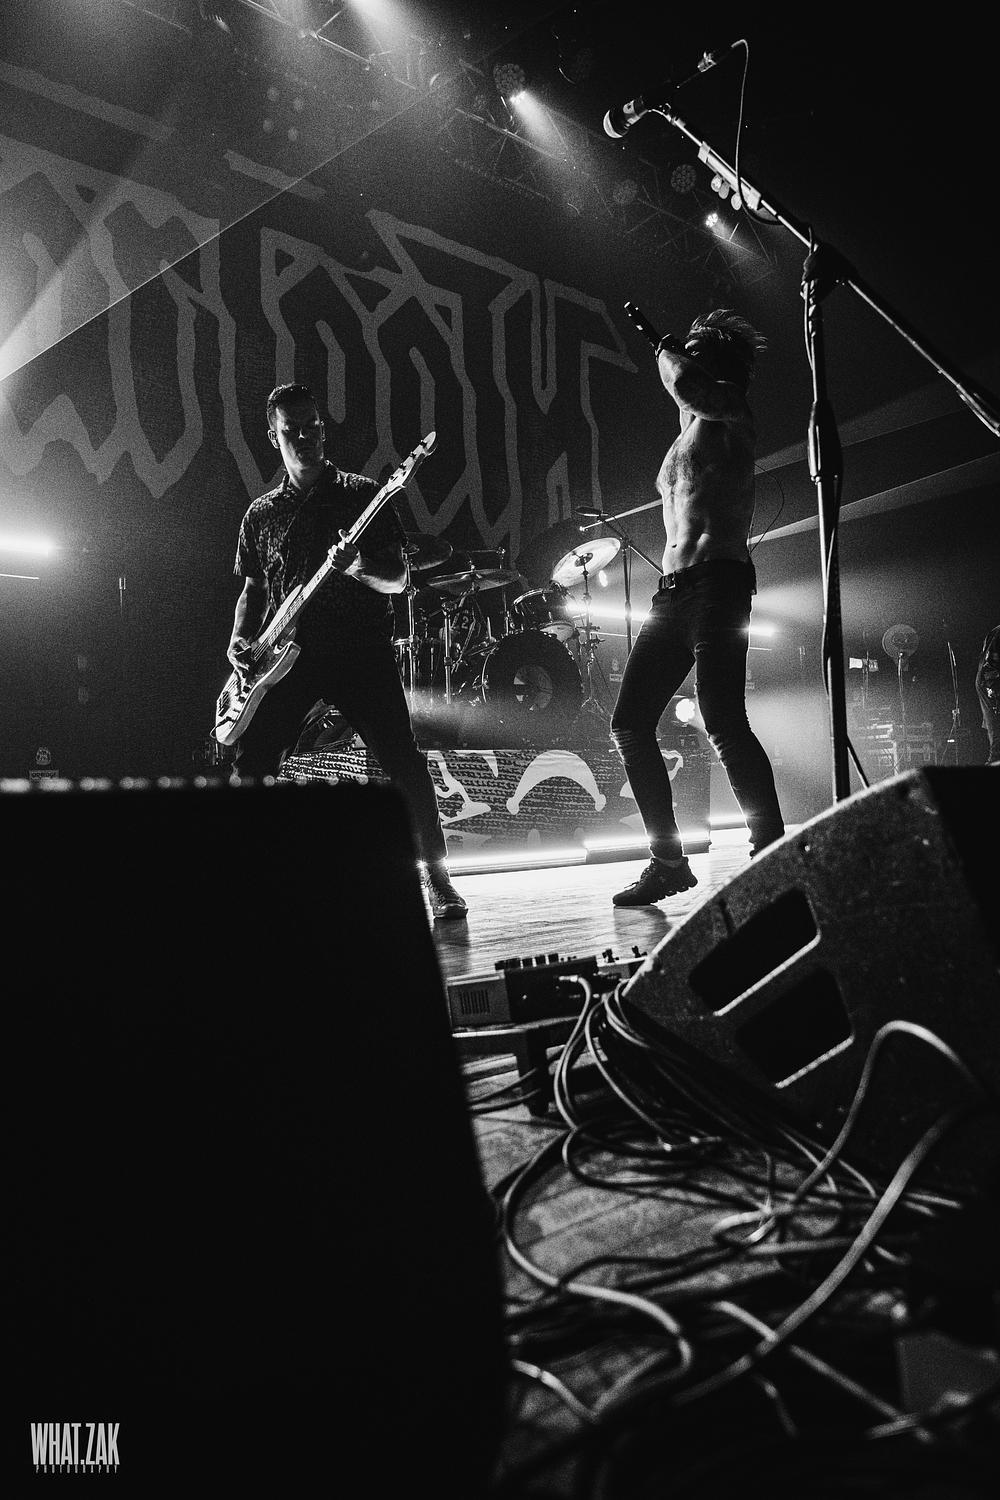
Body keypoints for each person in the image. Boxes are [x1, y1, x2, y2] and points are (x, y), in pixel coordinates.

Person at [226, 382, 467, 919]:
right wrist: (239, 640)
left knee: (403, 762)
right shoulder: (260, 514)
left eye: (313, 426)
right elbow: (253, 589)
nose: (306, 437)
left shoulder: (364, 495)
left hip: (360, 650)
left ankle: (437, 878)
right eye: (292, 430)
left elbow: (399, 579)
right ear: (273, 437)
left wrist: (357, 565)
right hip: (286, 658)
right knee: (253, 760)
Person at [610, 309, 785, 907]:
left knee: (722, 718)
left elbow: (687, 385)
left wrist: (663, 347)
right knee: (629, 723)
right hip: (673, 591)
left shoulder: (731, 407)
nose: (681, 356)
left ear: (714, 362)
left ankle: (772, 852)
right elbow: (683, 395)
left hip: (719, 584)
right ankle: (667, 861)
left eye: (693, 349)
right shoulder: (687, 431)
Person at [975, 624, 1000, 765]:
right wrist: (993, 689)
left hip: (990, 682)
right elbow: (990, 662)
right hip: (991, 684)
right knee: (997, 730)